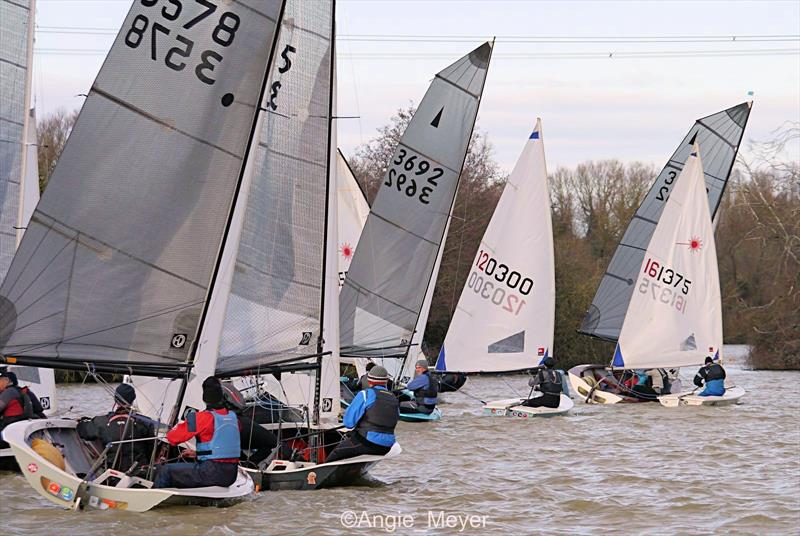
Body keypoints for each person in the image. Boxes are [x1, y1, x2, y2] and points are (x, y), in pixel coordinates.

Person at [154, 377, 240, 489]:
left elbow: (172, 438)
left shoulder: (201, 417)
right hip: (230, 476)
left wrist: (186, 422)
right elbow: (223, 445)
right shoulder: (234, 418)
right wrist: (198, 453)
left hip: (210, 473)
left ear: (204, 398)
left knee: (165, 470)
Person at [77, 383, 156, 474]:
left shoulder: (101, 422)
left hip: (113, 475)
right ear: (133, 400)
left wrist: (82, 421)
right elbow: (152, 451)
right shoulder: (147, 423)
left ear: (115, 399)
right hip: (141, 474)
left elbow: (83, 431)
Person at [326, 365, 398, 463]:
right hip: (388, 446)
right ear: (386, 382)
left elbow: (348, 423)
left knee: (336, 453)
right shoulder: (393, 398)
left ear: (369, 381)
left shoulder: (365, 394)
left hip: (368, 442)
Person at [220, 380, 278, 467]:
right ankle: (248, 464)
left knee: (233, 445)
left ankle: (244, 464)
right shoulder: (225, 387)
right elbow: (239, 403)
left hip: (229, 425)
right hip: (238, 422)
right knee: (273, 442)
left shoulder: (218, 389)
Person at [0, 370, 46, 445]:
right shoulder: (26, 391)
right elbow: (39, 409)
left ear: (7, 381)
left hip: (10, 432)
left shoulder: (9, 392)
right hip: (22, 431)